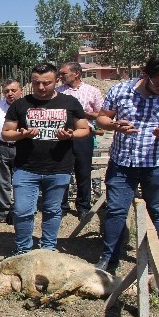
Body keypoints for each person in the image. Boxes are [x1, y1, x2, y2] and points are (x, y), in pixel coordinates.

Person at [94, 55, 159, 274]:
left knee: (157, 212)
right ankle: (109, 260)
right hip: (122, 164)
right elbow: (101, 119)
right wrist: (116, 125)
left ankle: (153, 262)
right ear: (145, 75)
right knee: (116, 211)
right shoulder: (120, 91)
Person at [2, 63, 89, 256]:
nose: (41, 88)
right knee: (23, 211)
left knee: (52, 211)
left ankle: (48, 249)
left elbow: (85, 129)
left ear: (57, 80)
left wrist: (71, 135)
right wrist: (21, 134)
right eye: (36, 83)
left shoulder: (70, 103)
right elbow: (6, 133)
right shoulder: (20, 104)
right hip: (26, 168)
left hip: (58, 168)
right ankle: (23, 250)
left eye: (47, 83)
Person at [57, 62, 104, 219]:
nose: (60, 76)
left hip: (83, 136)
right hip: (62, 136)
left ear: (76, 73)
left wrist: (85, 114)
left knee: (83, 171)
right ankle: (62, 206)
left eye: (64, 73)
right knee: (62, 170)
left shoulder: (92, 91)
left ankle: (83, 206)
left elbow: (103, 115)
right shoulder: (57, 92)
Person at [0, 79, 23, 223]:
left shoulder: (28, 105)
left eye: (13, 90)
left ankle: (22, 209)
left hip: (22, 146)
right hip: (1, 146)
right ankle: (4, 211)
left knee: (22, 180)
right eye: (6, 91)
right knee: (2, 180)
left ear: (20, 90)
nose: (10, 94)